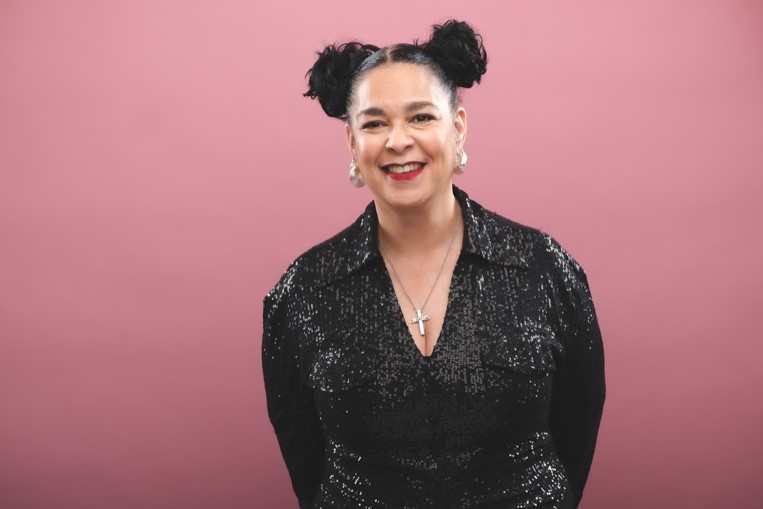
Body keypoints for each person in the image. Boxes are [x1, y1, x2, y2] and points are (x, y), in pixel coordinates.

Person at [262, 19, 605, 509]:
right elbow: (304, 454)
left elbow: (579, 422)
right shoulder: (304, 290)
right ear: (352, 144)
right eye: (374, 124)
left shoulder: (543, 269)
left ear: (457, 128)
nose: (398, 141)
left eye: (421, 117)